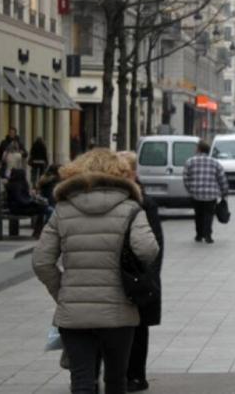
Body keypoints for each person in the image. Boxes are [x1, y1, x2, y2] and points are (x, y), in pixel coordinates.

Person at [32, 148, 159, 394]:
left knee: (81, 381)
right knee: (115, 380)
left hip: (74, 313)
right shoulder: (131, 209)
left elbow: (41, 261)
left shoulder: (63, 210)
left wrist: (63, 291)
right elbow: (148, 250)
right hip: (119, 311)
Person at [117, 152, 164, 393]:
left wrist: (148, 279)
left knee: (137, 328)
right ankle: (122, 375)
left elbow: (154, 247)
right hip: (118, 276)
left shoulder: (145, 203)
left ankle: (136, 375)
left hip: (137, 277)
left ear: (133, 173)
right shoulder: (117, 201)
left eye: (123, 172)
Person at [183, 141, 229, 244]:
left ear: (199, 149)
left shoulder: (190, 162)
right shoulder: (215, 163)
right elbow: (222, 178)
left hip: (196, 194)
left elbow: (185, 178)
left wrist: (190, 189)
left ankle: (199, 235)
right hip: (211, 195)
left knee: (198, 214)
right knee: (209, 214)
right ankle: (208, 235)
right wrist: (224, 192)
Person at [5, 168, 49, 238]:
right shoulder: (17, 185)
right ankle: (38, 232)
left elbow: (24, 198)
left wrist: (33, 200)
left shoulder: (17, 183)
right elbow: (21, 200)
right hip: (17, 209)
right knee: (43, 209)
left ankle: (38, 232)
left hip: (17, 207)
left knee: (44, 208)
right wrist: (32, 202)